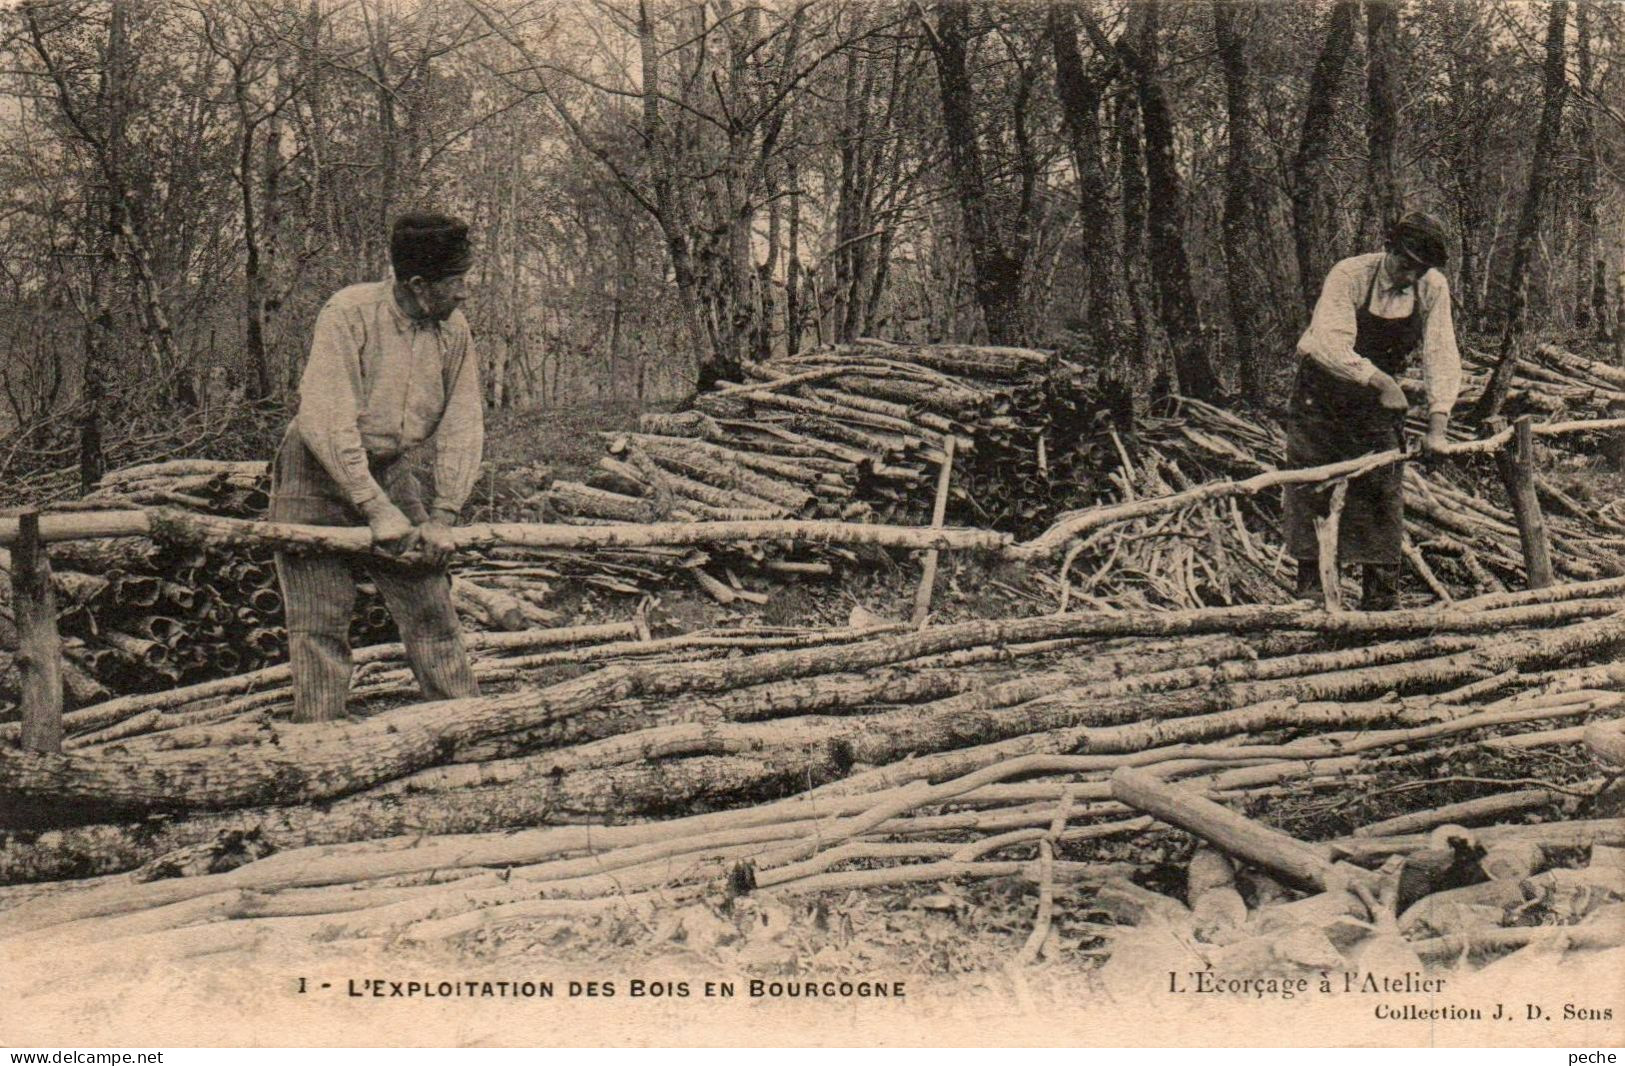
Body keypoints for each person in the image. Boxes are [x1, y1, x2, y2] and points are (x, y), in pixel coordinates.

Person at [269, 211, 484, 722]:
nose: (464, 294)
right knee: (320, 618)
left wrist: (444, 514)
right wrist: (372, 507)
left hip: (388, 466)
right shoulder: (349, 313)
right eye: (455, 282)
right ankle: (321, 741)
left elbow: (463, 422)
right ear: (417, 284)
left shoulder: (453, 332)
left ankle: (467, 723)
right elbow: (325, 419)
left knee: (430, 598)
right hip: (314, 466)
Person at [1283, 211, 1461, 610]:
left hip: (1374, 408)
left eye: (1420, 269)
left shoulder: (1432, 288)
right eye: (1404, 264)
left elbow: (1441, 353)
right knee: (1315, 487)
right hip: (1322, 397)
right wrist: (1382, 381)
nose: (1409, 276)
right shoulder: (1350, 275)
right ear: (1388, 249)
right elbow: (1329, 345)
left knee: (1381, 490)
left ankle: (1381, 602)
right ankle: (1311, 600)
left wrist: (1438, 424)